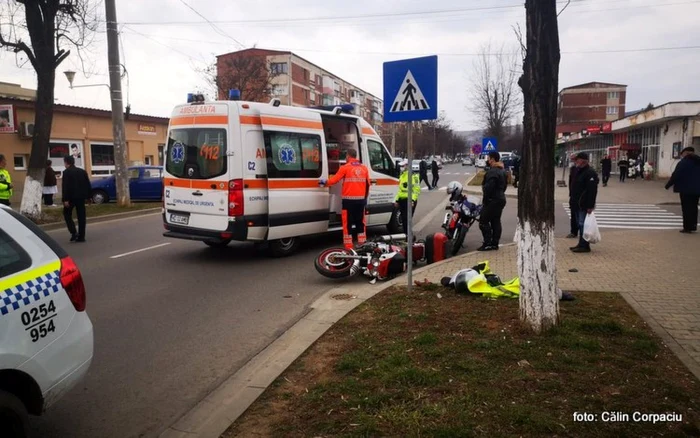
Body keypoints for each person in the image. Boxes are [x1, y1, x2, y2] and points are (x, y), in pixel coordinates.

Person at [320, 148, 371, 249]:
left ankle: (349, 246)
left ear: (348, 156)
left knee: (347, 223)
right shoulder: (364, 168)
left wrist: (323, 182)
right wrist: (364, 198)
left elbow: (334, 180)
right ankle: (362, 243)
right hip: (361, 201)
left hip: (348, 202)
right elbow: (368, 184)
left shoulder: (345, 168)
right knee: (360, 223)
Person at [665, 147, 700, 234]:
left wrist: (668, 185)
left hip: (685, 189)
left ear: (686, 153)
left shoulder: (683, 163)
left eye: (683, 153)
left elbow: (676, 174)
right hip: (697, 190)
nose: (682, 155)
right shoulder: (698, 161)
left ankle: (687, 227)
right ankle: (693, 225)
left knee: (686, 208)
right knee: (693, 207)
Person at [570, 152, 599, 253]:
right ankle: (581, 243)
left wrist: (590, 205)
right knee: (580, 224)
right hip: (577, 203)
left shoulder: (590, 173)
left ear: (583, 161)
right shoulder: (579, 171)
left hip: (584, 204)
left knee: (583, 224)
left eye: (578, 159)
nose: (576, 161)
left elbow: (592, 191)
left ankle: (585, 245)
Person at [478, 152, 507, 251]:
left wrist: (486, 200)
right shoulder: (502, 170)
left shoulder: (493, 172)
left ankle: (487, 243)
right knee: (495, 221)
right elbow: (504, 186)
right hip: (501, 199)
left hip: (492, 200)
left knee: (483, 221)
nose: (488, 160)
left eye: (489, 158)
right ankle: (495, 243)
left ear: (493, 159)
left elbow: (488, 188)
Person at [62, 155, 91, 242]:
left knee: (67, 214)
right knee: (81, 216)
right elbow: (87, 184)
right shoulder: (82, 171)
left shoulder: (66, 172)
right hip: (81, 198)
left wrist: (65, 199)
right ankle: (81, 236)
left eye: (64, 162)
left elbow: (65, 186)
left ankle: (73, 232)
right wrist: (89, 197)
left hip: (71, 198)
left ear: (66, 162)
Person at [394, 161, 420, 237]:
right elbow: (400, 190)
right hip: (402, 200)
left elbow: (416, 189)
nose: (402, 168)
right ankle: (406, 236)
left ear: (407, 166)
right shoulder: (402, 176)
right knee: (403, 219)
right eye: (401, 166)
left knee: (407, 219)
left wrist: (412, 200)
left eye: (403, 166)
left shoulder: (413, 176)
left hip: (409, 200)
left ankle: (409, 236)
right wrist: (397, 200)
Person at [567, 153, 580, 238]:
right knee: (573, 215)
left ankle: (582, 233)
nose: (574, 161)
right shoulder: (573, 169)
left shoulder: (586, 170)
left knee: (581, 217)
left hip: (581, 197)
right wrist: (571, 193)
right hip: (573, 196)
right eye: (573, 160)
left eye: (575, 160)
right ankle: (573, 231)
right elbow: (570, 182)